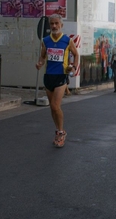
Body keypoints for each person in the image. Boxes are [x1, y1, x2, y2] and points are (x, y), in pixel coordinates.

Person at [35, 13, 79, 148]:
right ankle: (58, 130)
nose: (54, 26)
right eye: (52, 23)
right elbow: (42, 56)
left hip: (61, 76)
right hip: (48, 76)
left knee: (55, 105)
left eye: (56, 23)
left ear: (61, 25)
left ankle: (61, 132)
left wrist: (73, 67)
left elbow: (76, 54)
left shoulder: (67, 40)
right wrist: (40, 63)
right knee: (52, 108)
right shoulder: (46, 40)